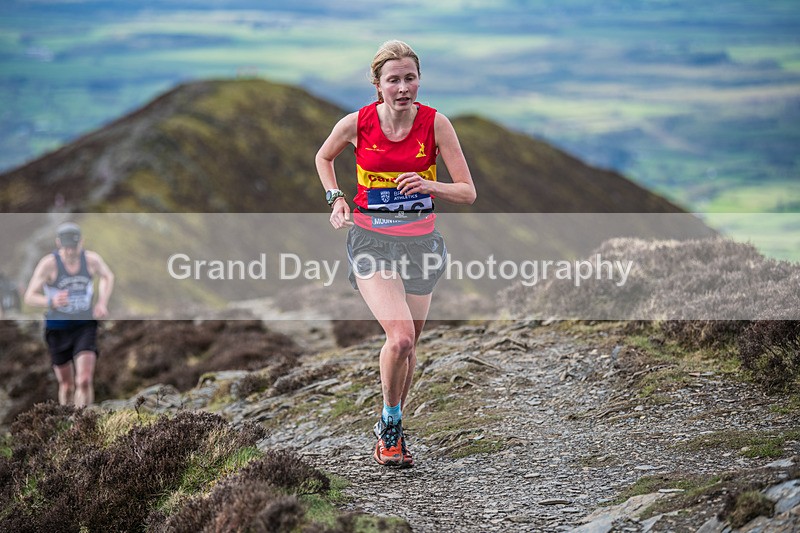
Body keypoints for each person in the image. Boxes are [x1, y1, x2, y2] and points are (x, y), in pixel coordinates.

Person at [315, 40, 476, 467]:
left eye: (410, 78)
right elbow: (323, 156)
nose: (403, 87)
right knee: (400, 336)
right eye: (393, 80)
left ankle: (396, 421)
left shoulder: (436, 124)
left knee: (410, 345)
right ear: (377, 85)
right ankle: (388, 426)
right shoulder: (356, 123)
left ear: (418, 80)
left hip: (421, 245)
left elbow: (467, 192)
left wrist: (430, 185)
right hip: (372, 242)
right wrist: (337, 198)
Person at [24, 222, 115, 407]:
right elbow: (29, 296)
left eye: (74, 247)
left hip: (84, 325)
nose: (71, 252)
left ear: (81, 242)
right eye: (67, 248)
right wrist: (51, 301)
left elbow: (108, 276)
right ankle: (67, 424)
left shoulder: (91, 260)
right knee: (66, 385)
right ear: (59, 243)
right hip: (58, 329)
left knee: (84, 380)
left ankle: (83, 425)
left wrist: (102, 302)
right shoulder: (49, 265)